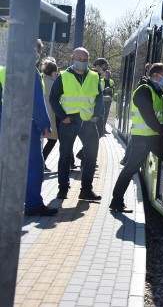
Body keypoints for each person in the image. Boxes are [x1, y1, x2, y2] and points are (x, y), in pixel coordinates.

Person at [0, 39, 57, 216]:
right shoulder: (30, 73)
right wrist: (45, 126)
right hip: (25, 126)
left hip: (5, 124)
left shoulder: (4, 70)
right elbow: (37, 104)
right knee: (34, 166)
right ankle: (33, 204)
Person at [110, 63, 163, 212]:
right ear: (155, 75)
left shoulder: (156, 90)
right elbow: (149, 116)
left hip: (153, 137)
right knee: (131, 168)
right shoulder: (144, 90)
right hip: (143, 138)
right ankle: (116, 201)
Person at [49, 47, 103, 201]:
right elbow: (53, 98)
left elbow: (99, 98)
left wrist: (97, 115)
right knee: (65, 156)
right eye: (79, 58)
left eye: (85, 59)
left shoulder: (94, 76)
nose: (82, 61)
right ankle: (63, 189)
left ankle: (86, 190)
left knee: (91, 156)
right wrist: (63, 116)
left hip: (88, 121)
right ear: (72, 58)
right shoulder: (63, 76)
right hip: (69, 121)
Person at [41, 57, 59, 171]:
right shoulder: (54, 84)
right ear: (53, 72)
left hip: (41, 113)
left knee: (42, 140)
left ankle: (41, 162)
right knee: (52, 140)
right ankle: (41, 162)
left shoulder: (40, 79)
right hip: (51, 115)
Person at [102, 69, 114, 134]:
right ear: (104, 75)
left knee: (106, 115)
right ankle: (101, 129)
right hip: (102, 101)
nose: (107, 76)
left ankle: (104, 129)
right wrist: (105, 89)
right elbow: (99, 91)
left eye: (108, 75)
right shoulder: (101, 81)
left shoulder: (112, 81)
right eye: (106, 75)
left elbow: (113, 90)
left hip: (109, 101)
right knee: (102, 115)